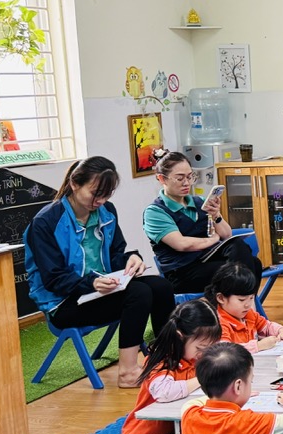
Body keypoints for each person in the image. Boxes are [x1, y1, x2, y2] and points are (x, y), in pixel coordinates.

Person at [25, 156, 175, 388]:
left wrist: (131, 258)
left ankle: (168, 357)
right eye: (95, 194)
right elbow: (54, 279)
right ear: (75, 184)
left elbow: (115, 254)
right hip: (63, 302)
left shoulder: (106, 211)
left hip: (99, 291)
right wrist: (92, 283)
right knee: (138, 293)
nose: (101, 201)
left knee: (161, 286)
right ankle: (127, 372)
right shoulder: (46, 222)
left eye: (107, 195)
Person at [143, 151, 262, 296]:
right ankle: (242, 306)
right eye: (180, 178)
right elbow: (181, 244)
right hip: (183, 272)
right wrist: (213, 240)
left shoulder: (199, 202)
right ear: (162, 178)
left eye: (190, 177)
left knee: (248, 257)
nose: (186, 183)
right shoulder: (155, 212)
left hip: (207, 260)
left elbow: (226, 234)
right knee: (237, 271)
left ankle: (241, 305)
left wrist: (216, 215)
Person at [119, 300, 221, 434]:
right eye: (200, 348)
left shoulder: (192, 357)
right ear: (180, 337)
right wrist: (202, 378)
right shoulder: (161, 361)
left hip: (172, 431)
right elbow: (164, 392)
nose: (204, 353)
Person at [207, 263, 283, 354]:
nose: (247, 305)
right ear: (221, 298)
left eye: (251, 298)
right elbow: (225, 351)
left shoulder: (248, 314)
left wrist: (281, 330)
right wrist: (258, 346)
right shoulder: (218, 324)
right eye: (241, 300)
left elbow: (267, 326)